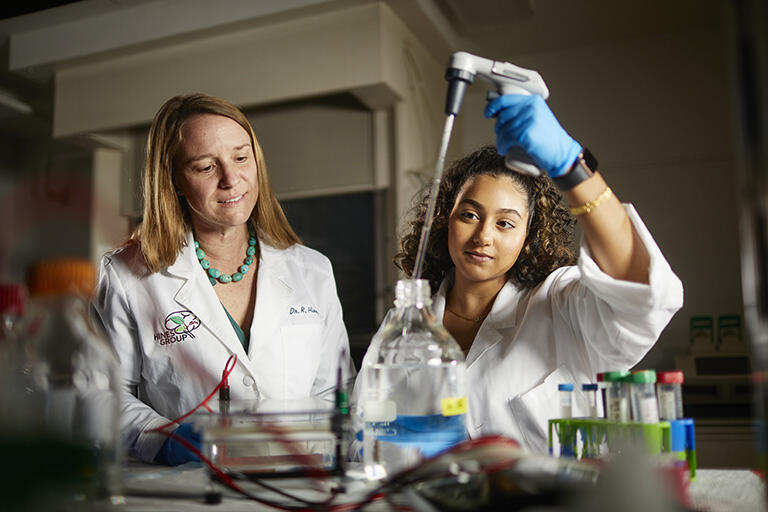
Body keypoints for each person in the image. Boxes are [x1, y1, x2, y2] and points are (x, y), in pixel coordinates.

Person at [392, 94, 684, 453]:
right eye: (469, 215)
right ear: (444, 220)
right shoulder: (403, 326)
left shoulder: (556, 303)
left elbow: (639, 294)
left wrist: (571, 167)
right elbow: (370, 435)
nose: (484, 235)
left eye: (505, 223)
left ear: (527, 236)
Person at [92, 93, 355, 465]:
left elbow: (335, 389)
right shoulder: (127, 276)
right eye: (205, 167)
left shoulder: (312, 270)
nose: (232, 179)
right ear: (174, 181)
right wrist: (163, 440)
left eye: (241, 158)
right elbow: (102, 394)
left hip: (301, 487)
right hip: (191, 492)